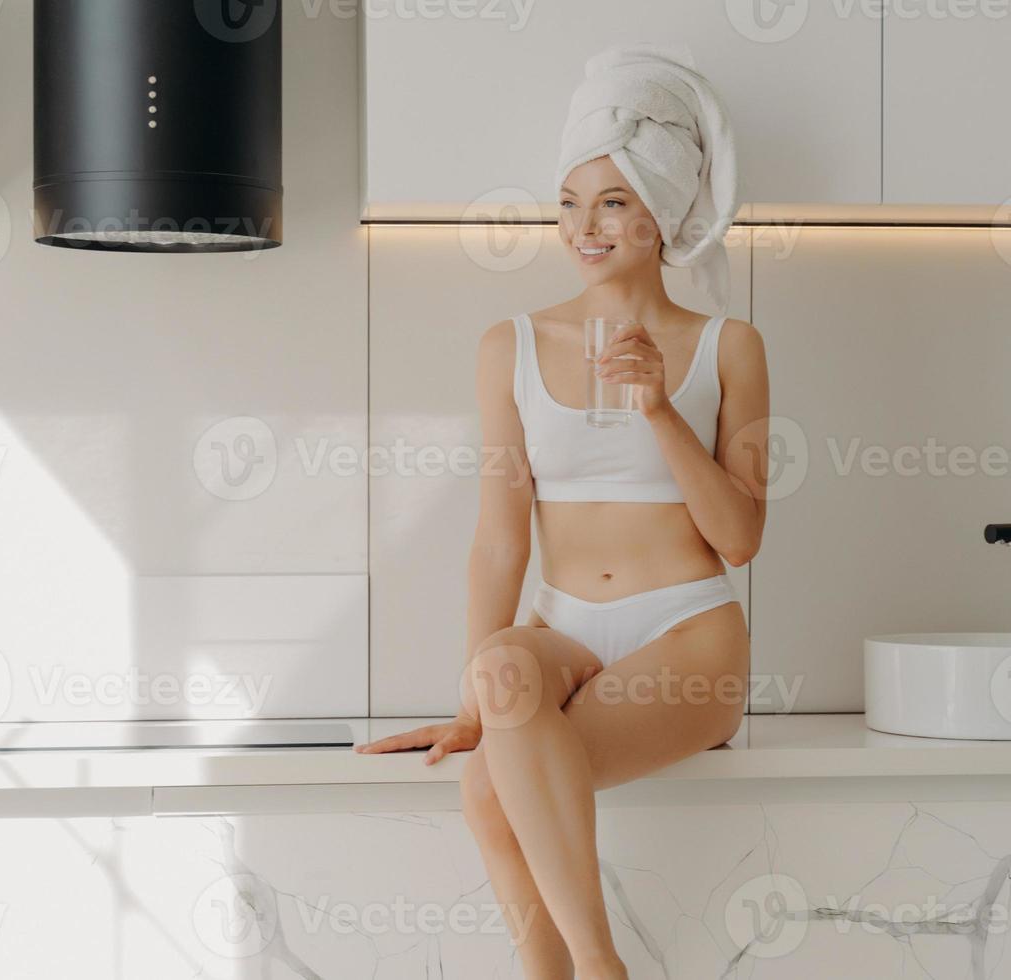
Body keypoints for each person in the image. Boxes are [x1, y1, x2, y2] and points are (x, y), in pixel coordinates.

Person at [358, 43, 770, 980]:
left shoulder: (728, 347)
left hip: (691, 636)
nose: (586, 228)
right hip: (566, 626)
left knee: (490, 794)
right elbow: (500, 538)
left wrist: (660, 410)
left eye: (613, 202)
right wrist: (475, 704)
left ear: (662, 212)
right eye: (570, 204)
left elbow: (741, 540)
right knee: (502, 675)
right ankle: (595, 970)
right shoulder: (507, 344)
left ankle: (587, 969)